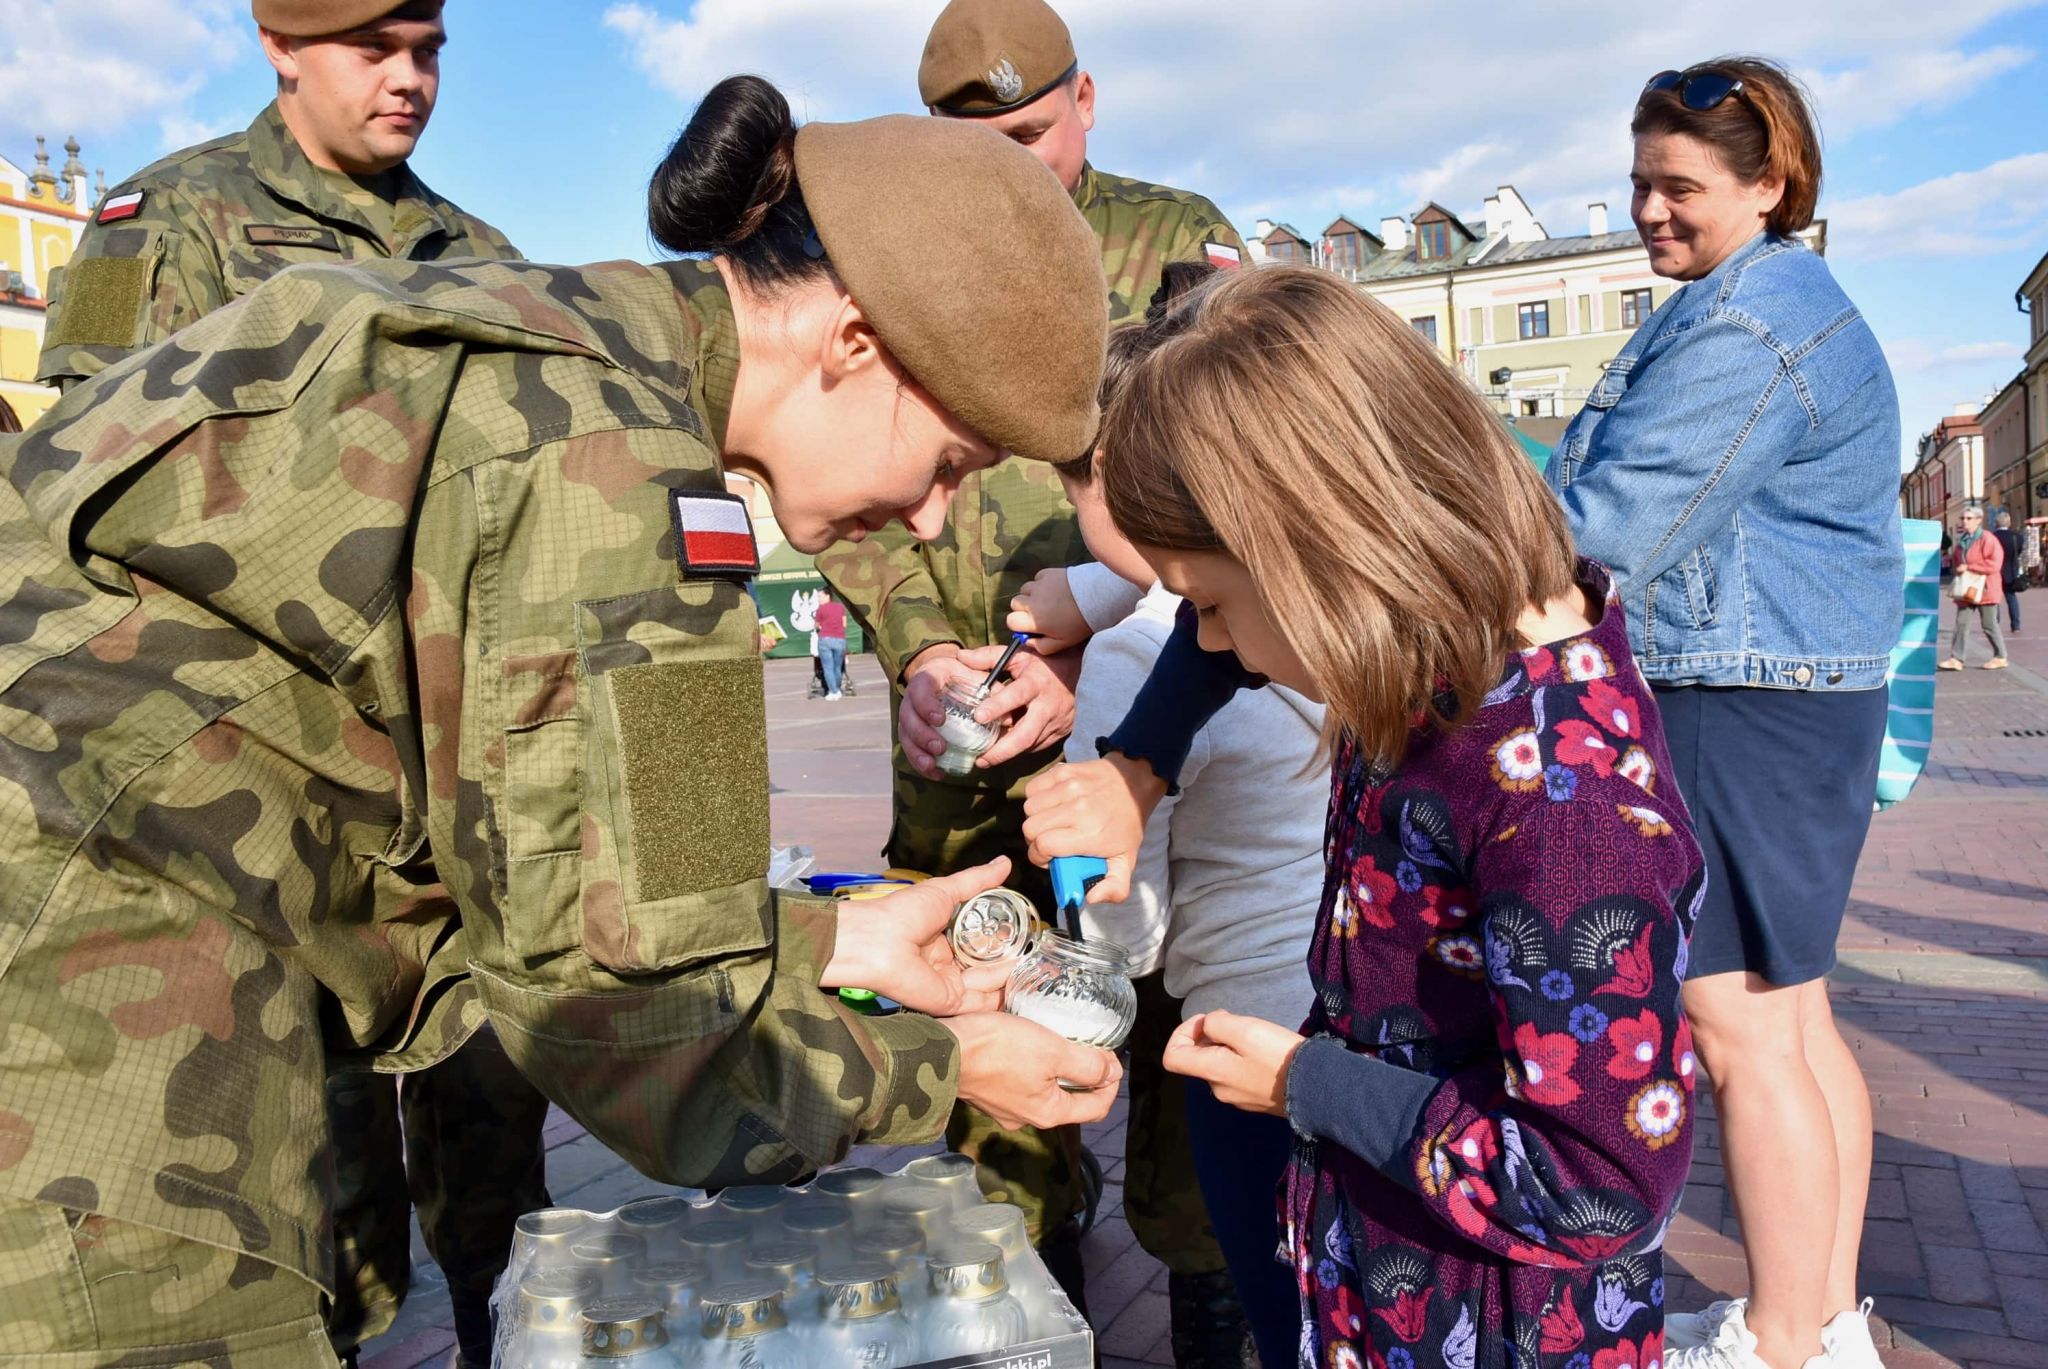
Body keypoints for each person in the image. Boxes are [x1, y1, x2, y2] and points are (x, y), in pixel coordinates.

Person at [0, 76, 1123, 1363]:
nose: (930, 521)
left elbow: (544, 877)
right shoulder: (617, 473)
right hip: (87, 1016)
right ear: (854, 341)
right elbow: (625, 1020)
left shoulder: (560, 346)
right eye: (949, 463)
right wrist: (946, 1066)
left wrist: (841, 936)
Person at [1038, 264, 1700, 1369]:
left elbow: (1594, 1184)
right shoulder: (1440, 649)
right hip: (1383, 1286)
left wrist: (1307, 1083)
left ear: (1320, 552)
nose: (1213, 646)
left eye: (1209, 604)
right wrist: (1136, 766)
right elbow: (1214, 663)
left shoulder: (1560, 802)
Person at [35, 2, 535, 1357]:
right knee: (305, 1164)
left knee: (494, 1131)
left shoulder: (477, 255)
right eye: (378, 48)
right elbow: (79, 477)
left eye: (430, 49)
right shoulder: (163, 221)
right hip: (255, 787)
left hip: (443, 779)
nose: (412, 80)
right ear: (280, 42)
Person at [816, 0, 1252, 1350]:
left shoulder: (1179, 239)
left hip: (1140, 701)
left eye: (1029, 133)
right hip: (962, 733)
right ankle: (1032, 1315)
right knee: (990, 1030)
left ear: (1087, 102)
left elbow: (1239, 472)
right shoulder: (889, 261)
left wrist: (1090, 647)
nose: (1009, 166)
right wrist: (914, 653)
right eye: (974, 145)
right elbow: (837, 464)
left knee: (1189, 1032)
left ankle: (1211, 1293)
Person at [1548, 59, 1903, 1369]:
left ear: (1771, 182)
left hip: (1741, 700)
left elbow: (1605, 529)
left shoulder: (1754, 323)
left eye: (1678, 185)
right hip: (1787, 698)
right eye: (1640, 179)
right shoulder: (1758, 301)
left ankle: (1782, 1339)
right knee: (1795, 1018)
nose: (1649, 208)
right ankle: (1823, 1319)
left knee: (1743, 1029)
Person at [1012, 275, 1324, 1369]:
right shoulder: (1308, 599)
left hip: (1242, 1042)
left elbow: (1120, 933)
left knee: (1268, 1298)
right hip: (1359, 1023)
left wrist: (1040, 949)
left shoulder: (1137, 652)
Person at [1942, 505, 2008, 669]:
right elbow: (1959, 561)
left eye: (1968, 518)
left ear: (1979, 520)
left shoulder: (1988, 538)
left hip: (1985, 588)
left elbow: (1994, 564)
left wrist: (1970, 567)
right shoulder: (1963, 540)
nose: (1964, 521)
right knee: (1961, 623)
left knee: (1989, 624)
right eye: (1963, 518)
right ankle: (1957, 659)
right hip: (1967, 588)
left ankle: (2000, 656)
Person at [1993, 509, 2023, 635]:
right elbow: (2019, 552)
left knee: (1995, 600)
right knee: (2011, 598)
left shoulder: (1993, 537)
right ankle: (2015, 625)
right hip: (2011, 571)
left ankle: (1995, 624)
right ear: (2009, 523)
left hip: (1995, 571)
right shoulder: (2017, 537)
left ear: (1996, 523)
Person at [818, 592, 850, 699]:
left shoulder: (821, 609)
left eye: (820, 596)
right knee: (837, 667)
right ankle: (836, 689)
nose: (819, 599)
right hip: (840, 639)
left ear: (828, 596)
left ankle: (833, 691)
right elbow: (844, 624)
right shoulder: (840, 607)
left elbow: (817, 625)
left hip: (825, 639)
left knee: (828, 667)